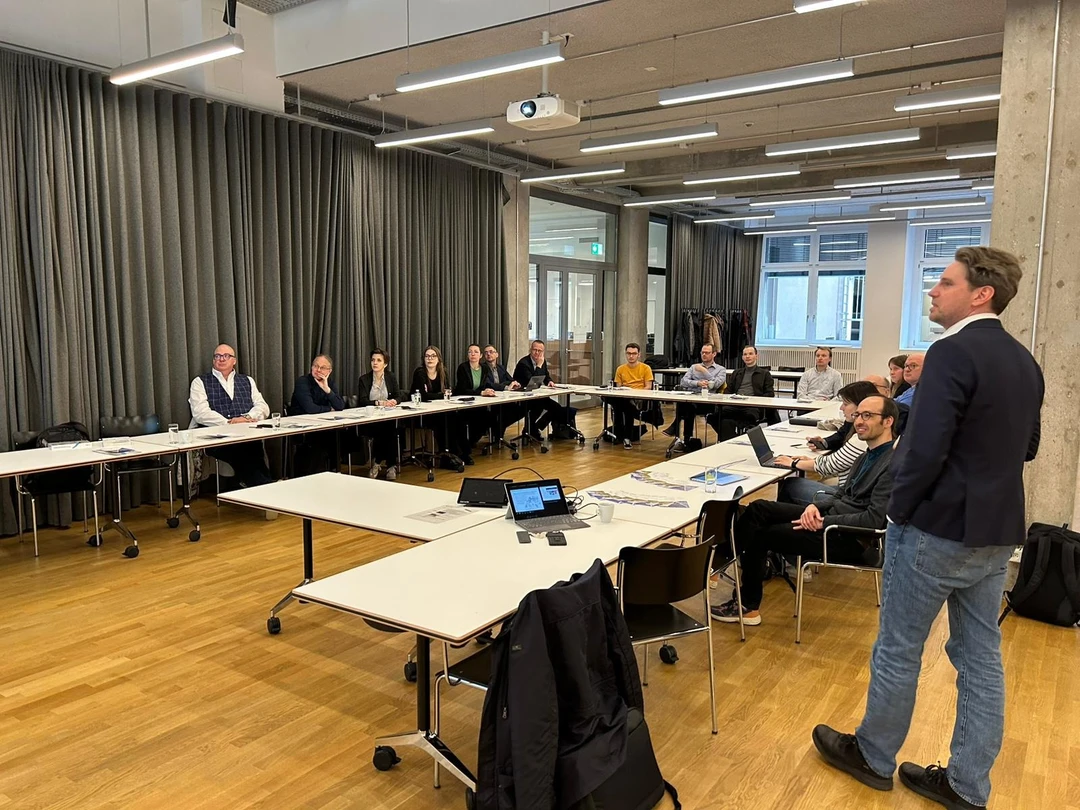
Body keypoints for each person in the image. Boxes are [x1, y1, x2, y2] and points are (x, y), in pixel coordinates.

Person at [813, 246, 1043, 810]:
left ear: (981, 294)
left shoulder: (950, 352)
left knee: (898, 648)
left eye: (945, 282)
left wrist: (898, 509)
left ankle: (873, 755)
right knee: (980, 658)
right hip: (996, 531)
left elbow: (924, 449)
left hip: (935, 529)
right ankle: (967, 785)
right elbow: (1029, 446)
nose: (933, 291)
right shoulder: (1024, 361)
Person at [711, 395, 898, 626]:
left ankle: (747, 607)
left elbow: (873, 520)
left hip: (847, 537)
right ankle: (718, 562)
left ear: (888, 421)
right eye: (858, 415)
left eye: (867, 415)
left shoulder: (892, 464)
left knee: (759, 535)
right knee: (759, 508)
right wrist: (814, 506)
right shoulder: (866, 456)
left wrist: (823, 522)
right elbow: (841, 494)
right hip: (831, 518)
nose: (859, 421)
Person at [774, 380, 881, 506]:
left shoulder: (861, 439)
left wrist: (794, 463)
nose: (841, 408)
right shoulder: (877, 433)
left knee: (790, 485)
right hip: (853, 492)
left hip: (848, 499)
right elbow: (840, 459)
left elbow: (831, 465)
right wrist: (811, 459)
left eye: (845, 404)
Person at [188, 343, 274, 488]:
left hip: (247, 434)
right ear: (213, 360)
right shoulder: (199, 382)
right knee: (242, 451)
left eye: (226, 356)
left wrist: (246, 418)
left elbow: (263, 406)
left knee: (254, 447)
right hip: (215, 438)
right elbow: (200, 413)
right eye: (217, 356)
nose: (221, 359)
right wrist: (229, 423)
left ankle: (261, 486)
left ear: (234, 361)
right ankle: (265, 487)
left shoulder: (247, 380)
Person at [410, 345, 468, 466]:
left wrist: (439, 395)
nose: (430, 359)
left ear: (438, 358)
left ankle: (462, 453)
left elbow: (447, 391)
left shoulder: (443, 372)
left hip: (441, 409)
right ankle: (447, 456)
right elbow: (423, 396)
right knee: (444, 421)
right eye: (427, 356)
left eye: (433, 356)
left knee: (459, 418)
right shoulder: (420, 373)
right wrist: (440, 395)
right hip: (423, 412)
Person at [289, 354, 345, 476]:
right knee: (321, 439)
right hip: (301, 425)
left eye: (322, 368)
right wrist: (329, 409)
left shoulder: (330, 383)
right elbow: (310, 408)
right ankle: (314, 474)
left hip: (322, 424)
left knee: (342, 434)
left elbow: (340, 406)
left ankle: (333, 471)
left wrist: (327, 389)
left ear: (329, 371)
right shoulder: (303, 382)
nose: (318, 370)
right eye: (315, 366)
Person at [663, 342, 726, 448]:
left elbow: (715, 384)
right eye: (702, 352)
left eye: (707, 353)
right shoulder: (693, 367)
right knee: (686, 405)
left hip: (708, 402)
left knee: (686, 406)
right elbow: (683, 382)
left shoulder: (721, 369)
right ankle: (686, 438)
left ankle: (680, 432)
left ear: (714, 354)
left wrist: (704, 371)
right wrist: (697, 383)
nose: (704, 355)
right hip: (691, 398)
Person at [706, 345, 774, 441]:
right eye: (745, 354)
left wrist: (753, 400)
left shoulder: (765, 374)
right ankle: (733, 440)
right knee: (713, 417)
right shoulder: (737, 373)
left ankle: (733, 440)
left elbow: (770, 394)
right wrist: (730, 398)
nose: (747, 356)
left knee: (746, 417)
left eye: (750, 354)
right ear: (742, 357)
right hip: (734, 405)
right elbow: (728, 390)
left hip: (752, 407)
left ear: (756, 356)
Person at [357, 348, 404, 480]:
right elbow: (362, 401)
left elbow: (399, 396)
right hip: (370, 419)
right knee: (387, 430)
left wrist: (394, 401)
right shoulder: (364, 379)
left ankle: (377, 463)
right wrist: (378, 403)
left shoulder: (391, 377)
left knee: (389, 428)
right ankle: (390, 465)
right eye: (373, 360)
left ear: (385, 364)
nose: (375, 363)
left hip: (388, 416)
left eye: (379, 360)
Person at [512, 340, 570, 442]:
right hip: (524, 396)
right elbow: (532, 381)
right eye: (535, 350)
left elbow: (546, 375)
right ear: (530, 350)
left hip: (537, 395)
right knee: (538, 407)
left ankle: (535, 427)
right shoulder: (523, 363)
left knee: (556, 408)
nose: (537, 353)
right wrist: (538, 365)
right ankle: (531, 430)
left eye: (540, 351)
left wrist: (549, 382)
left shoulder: (542, 361)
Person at [603, 343, 655, 449]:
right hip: (624, 397)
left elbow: (648, 387)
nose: (631, 356)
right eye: (629, 353)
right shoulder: (620, 369)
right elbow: (618, 387)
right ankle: (625, 436)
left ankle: (620, 433)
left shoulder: (646, 368)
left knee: (622, 405)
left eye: (634, 354)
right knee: (620, 402)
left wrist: (635, 393)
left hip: (639, 399)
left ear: (639, 355)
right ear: (626, 354)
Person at [452, 344, 491, 463]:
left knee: (487, 418)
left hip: (478, 403)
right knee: (462, 422)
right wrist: (481, 393)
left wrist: (488, 391)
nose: (473, 354)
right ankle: (465, 452)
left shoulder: (485, 368)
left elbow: (484, 385)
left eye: (475, 352)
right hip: (462, 403)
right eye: (470, 352)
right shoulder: (463, 368)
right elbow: (462, 389)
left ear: (481, 355)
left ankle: (470, 443)